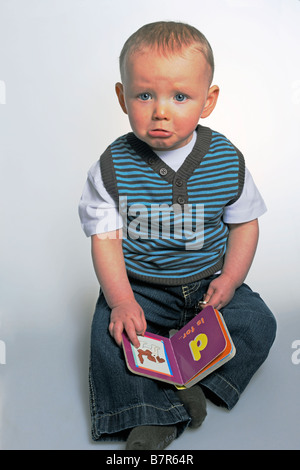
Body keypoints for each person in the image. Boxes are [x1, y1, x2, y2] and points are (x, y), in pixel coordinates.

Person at [78, 21, 276, 450]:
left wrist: (231, 280)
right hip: (142, 290)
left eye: (180, 97)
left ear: (208, 101)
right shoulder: (113, 166)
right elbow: (105, 238)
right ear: (122, 97)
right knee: (107, 337)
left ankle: (198, 383)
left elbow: (245, 224)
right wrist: (121, 301)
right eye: (144, 95)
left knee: (258, 321)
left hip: (207, 287)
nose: (160, 110)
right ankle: (150, 414)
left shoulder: (225, 159)